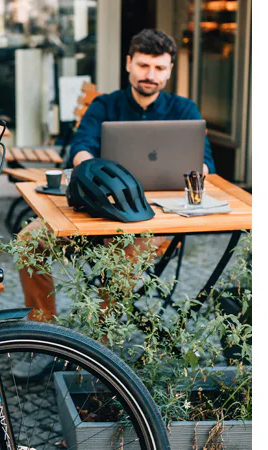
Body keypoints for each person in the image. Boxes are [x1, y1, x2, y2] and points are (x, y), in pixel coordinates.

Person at [14, 29, 216, 378]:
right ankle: (43, 336)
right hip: (98, 213)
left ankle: (98, 347)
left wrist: (197, 168)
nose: (150, 74)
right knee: (28, 242)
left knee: (123, 256)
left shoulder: (184, 110)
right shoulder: (105, 105)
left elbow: (205, 163)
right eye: (143, 65)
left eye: (158, 67)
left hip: (155, 221)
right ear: (128, 64)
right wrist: (95, 173)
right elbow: (80, 148)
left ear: (169, 71)